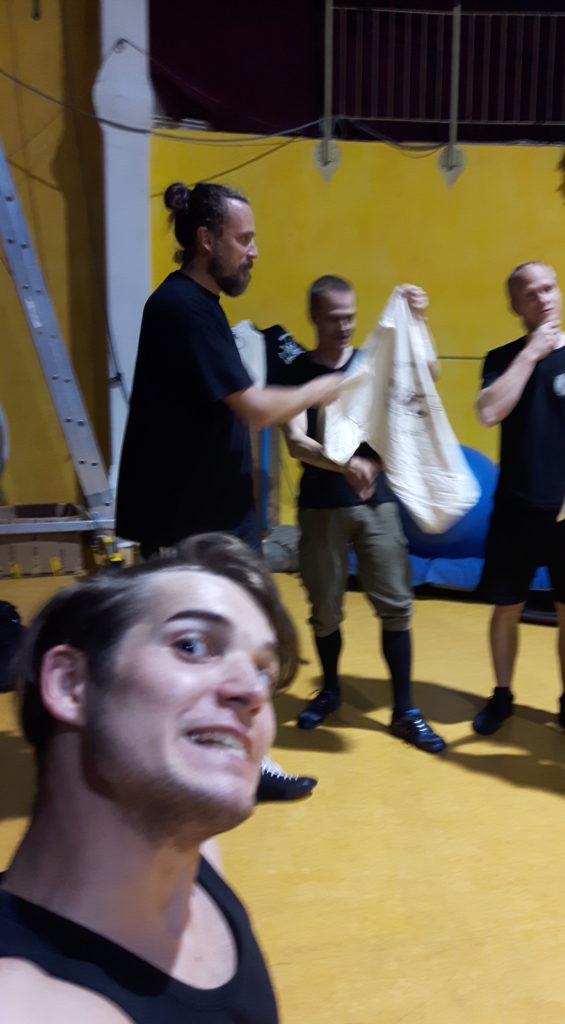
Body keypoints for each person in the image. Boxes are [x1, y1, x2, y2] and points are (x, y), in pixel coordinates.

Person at [0, 532, 297, 1022]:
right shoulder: (26, 1004)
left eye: (264, 670)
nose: (253, 691)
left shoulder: (196, 861)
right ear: (71, 684)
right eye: (192, 645)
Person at [116, 181, 339, 800]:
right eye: (244, 239)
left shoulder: (198, 305)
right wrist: (321, 387)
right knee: (227, 641)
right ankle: (216, 765)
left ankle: (218, 760)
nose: (254, 251)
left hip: (212, 515)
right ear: (206, 240)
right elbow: (255, 408)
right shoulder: (182, 308)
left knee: (227, 642)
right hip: (195, 523)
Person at [280, 275, 445, 753]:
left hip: (378, 504)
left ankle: (405, 710)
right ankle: (330, 690)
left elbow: (428, 373)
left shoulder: (372, 364)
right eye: (334, 319)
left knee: (396, 606)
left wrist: (419, 320)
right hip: (321, 508)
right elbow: (296, 442)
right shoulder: (297, 372)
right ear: (314, 317)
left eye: (350, 317)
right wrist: (345, 463)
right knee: (325, 609)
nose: (344, 326)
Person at [473, 261, 565, 743]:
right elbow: (489, 412)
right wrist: (531, 354)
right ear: (515, 305)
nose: (543, 299)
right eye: (530, 293)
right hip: (515, 503)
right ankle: (502, 694)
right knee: (506, 605)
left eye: (549, 288)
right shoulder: (502, 358)